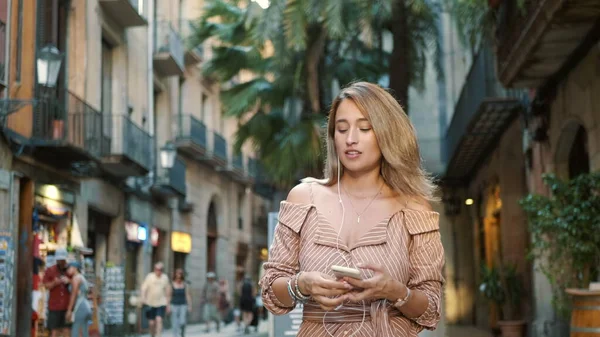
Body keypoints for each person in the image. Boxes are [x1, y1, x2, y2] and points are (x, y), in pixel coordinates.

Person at [259, 82, 445, 337]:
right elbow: (270, 292)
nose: (351, 139)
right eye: (341, 129)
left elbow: (431, 310)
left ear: (386, 134)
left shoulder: (413, 209)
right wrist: (301, 284)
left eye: (365, 128)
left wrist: (395, 291)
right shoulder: (303, 198)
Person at [42, 248, 71, 337]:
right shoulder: (50, 270)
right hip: (54, 305)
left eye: (63, 260)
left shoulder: (70, 270)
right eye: (59, 260)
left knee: (67, 330)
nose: (61, 262)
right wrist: (55, 283)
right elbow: (46, 286)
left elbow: (77, 283)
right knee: (54, 330)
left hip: (67, 305)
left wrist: (69, 281)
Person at [141, 262, 171, 337]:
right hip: (150, 302)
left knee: (159, 320)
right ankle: (152, 335)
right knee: (151, 323)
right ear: (154, 269)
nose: (158, 271)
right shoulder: (150, 276)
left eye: (160, 269)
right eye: (157, 269)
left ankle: (158, 335)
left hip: (161, 302)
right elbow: (144, 288)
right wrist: (143, 297)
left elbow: (168, 291)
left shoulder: (165, 277)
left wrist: (168, 304)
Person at [65, 262, 92, 337]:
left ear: (75, 268)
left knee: (75, 331)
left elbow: (73, 295)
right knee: (84, 331)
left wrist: (69, 310)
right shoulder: (81, 277)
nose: (67, 270)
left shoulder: (76, 278)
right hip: (86, 306)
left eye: (69, 268)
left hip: (79, 307)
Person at [170, 269, 192, 337]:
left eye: (180, 274)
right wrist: (168, 305)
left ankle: (182, 332)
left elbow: (188, 295)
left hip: (183, 304)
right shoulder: (172, 284)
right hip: (174, 304)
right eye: (177, 274)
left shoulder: (185, 284)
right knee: (174, 322)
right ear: (175, 275)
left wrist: (190, 305)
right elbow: (169, 295)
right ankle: (175, 335)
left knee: (182, 321)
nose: (179, 276)